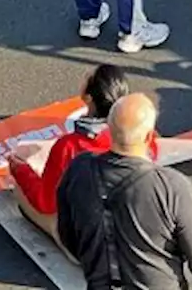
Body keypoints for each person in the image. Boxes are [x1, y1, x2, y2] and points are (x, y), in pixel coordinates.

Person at [57, 93, 192, 290]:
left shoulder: (79, 169)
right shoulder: (172, 187)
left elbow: (67, 235)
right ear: (149, 136)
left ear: (109, 129)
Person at [9, 64, 129, 249]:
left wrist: (20, 169)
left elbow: (44, 202)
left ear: (89, 97)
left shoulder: (69, 147)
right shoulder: (133, 137)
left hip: (85, 244)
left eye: (87, 77)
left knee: (21, 190)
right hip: (124, 235)